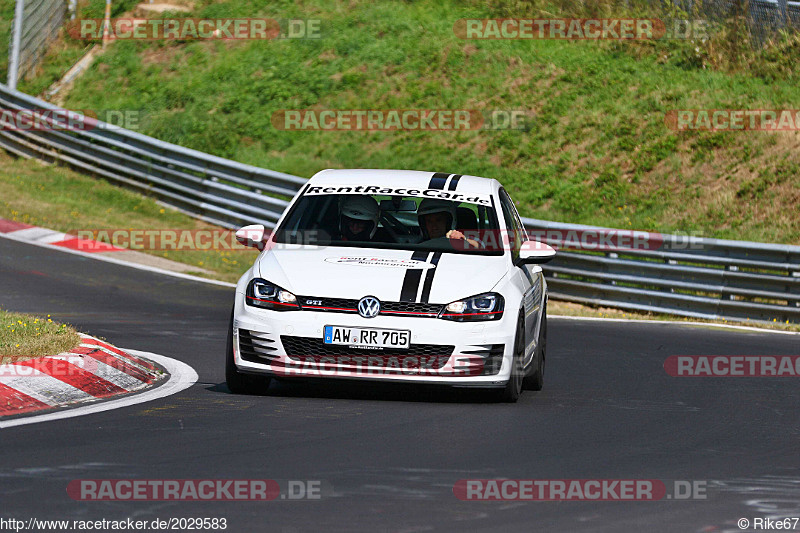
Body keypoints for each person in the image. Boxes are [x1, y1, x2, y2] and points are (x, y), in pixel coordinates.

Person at [416, 198, 481, 248]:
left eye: (439, 220)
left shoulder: (466, 245)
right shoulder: (412, 245)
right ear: (423, 224)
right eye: (429, 221)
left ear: (449, 222)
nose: (434, 226)